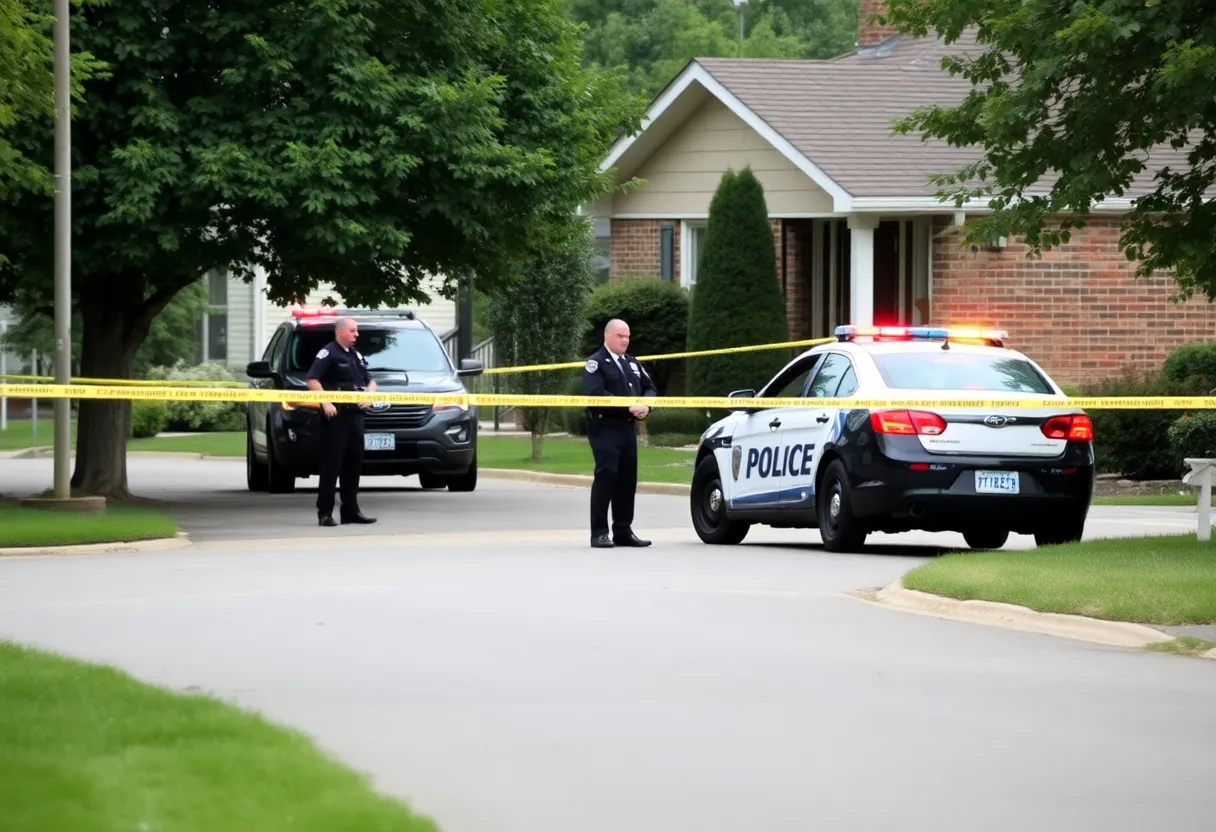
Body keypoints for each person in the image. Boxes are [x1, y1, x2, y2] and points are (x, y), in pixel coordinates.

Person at [582, 318, 658, 548]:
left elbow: (650, 388)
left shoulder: (632, 363)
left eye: (627, 336)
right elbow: (595, 394)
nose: (625, 340)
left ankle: (623, 530)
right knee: (607, 477)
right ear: (607, 336)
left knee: (627, 480)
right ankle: (599, 532)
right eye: (620, 336)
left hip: (627, 428)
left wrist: (647, 405)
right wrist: (627, 407)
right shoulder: (596, 363)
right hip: (605, 427)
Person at [306, 317, 378, 527]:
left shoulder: (355, 355)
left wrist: (369, 395)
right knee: (331, 466)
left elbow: (370, 380)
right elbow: (312, 379)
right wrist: (325, 402)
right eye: (353, 331)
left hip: (355, 416)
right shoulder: (328, 353)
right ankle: (325, 513)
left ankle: (350, 511)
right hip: (336, 416)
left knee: (353, 465)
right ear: (340, 332)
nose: (357, 335)